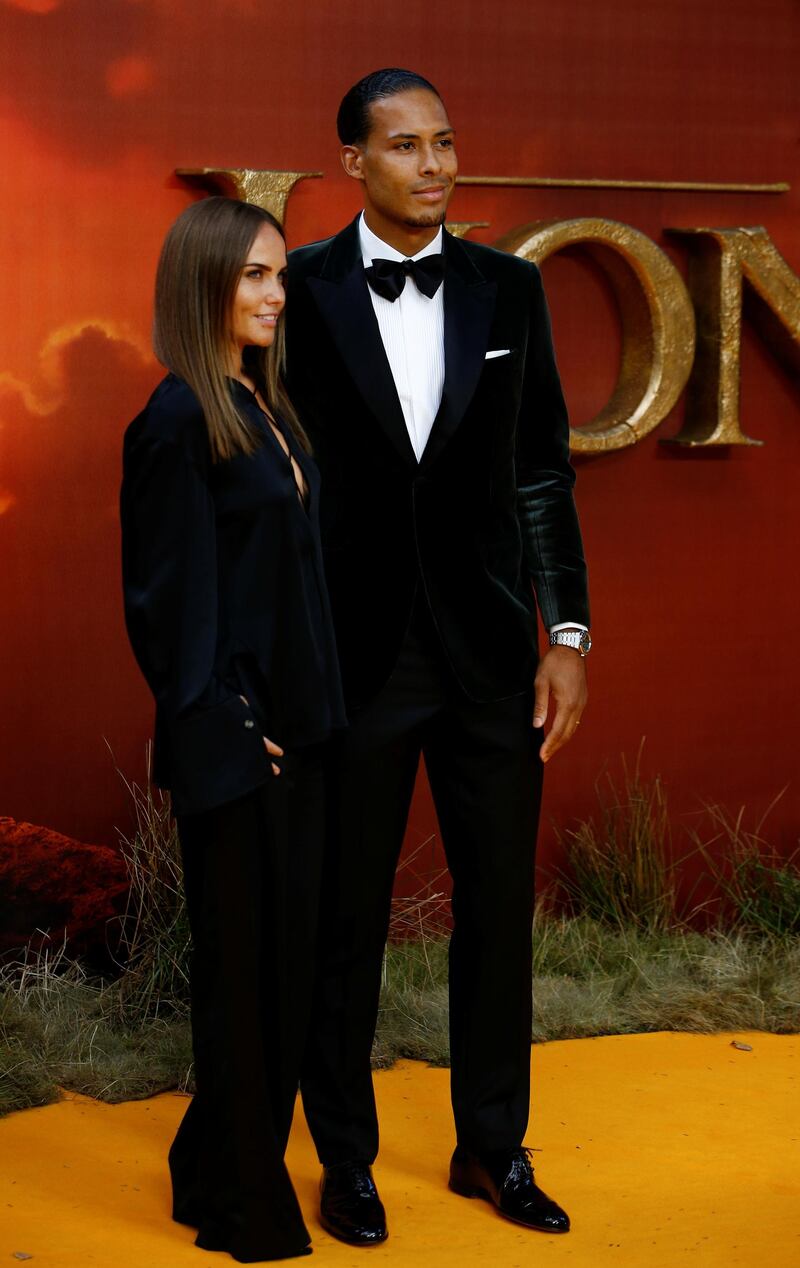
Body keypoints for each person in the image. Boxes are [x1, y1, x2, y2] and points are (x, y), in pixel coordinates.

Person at [285, 68, 591, 1246]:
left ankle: (492, 1150)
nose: (435, 164)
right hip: (349, 657)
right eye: (406, 146)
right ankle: (345, 1160)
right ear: (351, 161)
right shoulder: (300, 289)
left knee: (497, 914)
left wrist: (561, 632)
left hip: (487, 657)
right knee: (344, 919)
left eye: (446, 143)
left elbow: (538, 473)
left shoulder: (510, 290)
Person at [120, 196, 345, 1263]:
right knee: (242, 984)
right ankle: (243, 1208)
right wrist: (224, 721)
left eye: (279, 276)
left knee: (285, 982)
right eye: (252, 275)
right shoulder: (173, 422)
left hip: (300, 743)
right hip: (238, 751)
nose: (272, 294)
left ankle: (206, 1159)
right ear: (201, 283)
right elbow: (167, 606)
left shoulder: (266, 406)